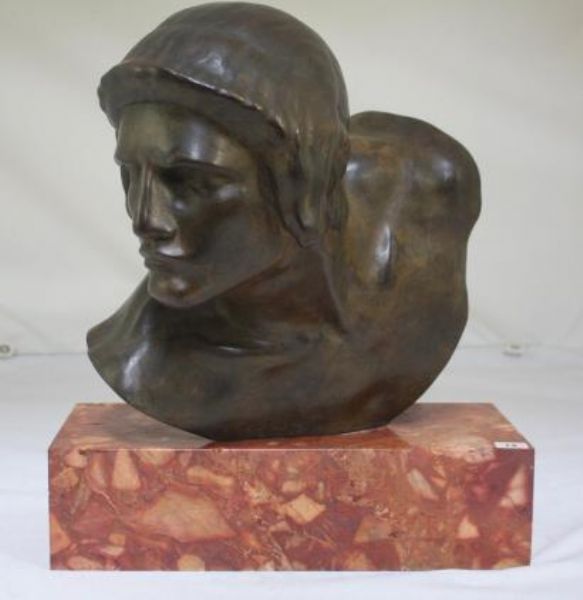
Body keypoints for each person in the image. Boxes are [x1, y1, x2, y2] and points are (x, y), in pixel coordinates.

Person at [88, 3, 481, 440]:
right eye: (130, 174)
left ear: (302, 185)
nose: (145, 218)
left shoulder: (423, 193)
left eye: (192, 182)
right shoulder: (145, 362)